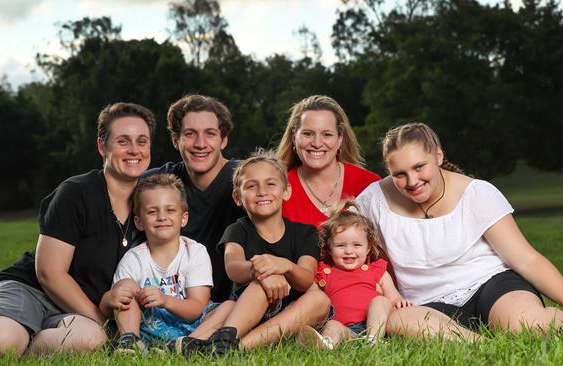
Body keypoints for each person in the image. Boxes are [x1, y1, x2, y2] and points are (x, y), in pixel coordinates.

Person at [0, 103, 155, 355]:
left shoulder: (151, 203)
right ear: (102, 147)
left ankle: (21, 341)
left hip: (74, 309)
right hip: (30, 289)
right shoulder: (76, 192)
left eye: (142, 141)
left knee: (90, 341)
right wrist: (103, 322)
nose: (134, 150)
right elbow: (49, 273)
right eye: (123, 141)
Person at [355, 122, 563, 340]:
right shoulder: (373, 200)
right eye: (399, 174)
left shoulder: (477, 193)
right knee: (398, 321)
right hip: (426, 303)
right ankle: (480, 345)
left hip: (492, 286)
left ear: (438, 156)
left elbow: (526, 259)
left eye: (419, 167)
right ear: (388, 171)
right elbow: (342, 241)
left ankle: (545, 321)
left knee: (526, 323)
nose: (412, 181)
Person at [175, 150, 331, 354]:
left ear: (286, 191)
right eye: (251, 185)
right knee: (251, 291)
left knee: (320, 300)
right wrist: (263, 271)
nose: (261, 191)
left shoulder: (305, 233)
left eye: (271, 184)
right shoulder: (237, 230)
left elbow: (305, 278)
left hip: (290, 316)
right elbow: (233, 268)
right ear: (238, 197)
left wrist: (283, 265)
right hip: (243, 315)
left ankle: (233, 347)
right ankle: (208, 341)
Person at [100, 174, 220, 351]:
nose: (161, 217)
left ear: (184, 218)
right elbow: (110, 309)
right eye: (152, 211)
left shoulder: (195, 252)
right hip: (149, 329)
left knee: (229, 307)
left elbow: (197, 308)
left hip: (194, 328)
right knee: (124, 286)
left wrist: (165, 300)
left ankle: (188, 344)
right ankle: (131, 342)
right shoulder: (134, 258)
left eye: (170, 210)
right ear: (139, 222)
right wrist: (109, 298)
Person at [147, 94, 245, 303]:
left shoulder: (247, 180)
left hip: (233, 303)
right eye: (190, 134)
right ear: (176, 140)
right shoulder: (158, 183)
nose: (201, 144)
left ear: (224, 140)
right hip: (175, 304)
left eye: (210, 134)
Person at [297, 199, 412, 350]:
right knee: (332, 325)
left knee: (380, 301)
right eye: (340, 245)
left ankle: (373, 340)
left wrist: (399, 301)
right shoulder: (324, 272)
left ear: (369, 247)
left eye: (357, 245)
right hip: (347, 329)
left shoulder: (375, 270)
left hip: (376, 325)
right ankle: (328, 343)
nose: (349, 251)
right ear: (329, 248)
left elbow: (392, 296)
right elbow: (312, 299)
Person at [276, 95, 381, 226]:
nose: (317, 143)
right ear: (294, 137)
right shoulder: (277, 189)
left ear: (340, 139)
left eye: (327, 134)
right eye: (307, 134)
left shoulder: (369, 185)